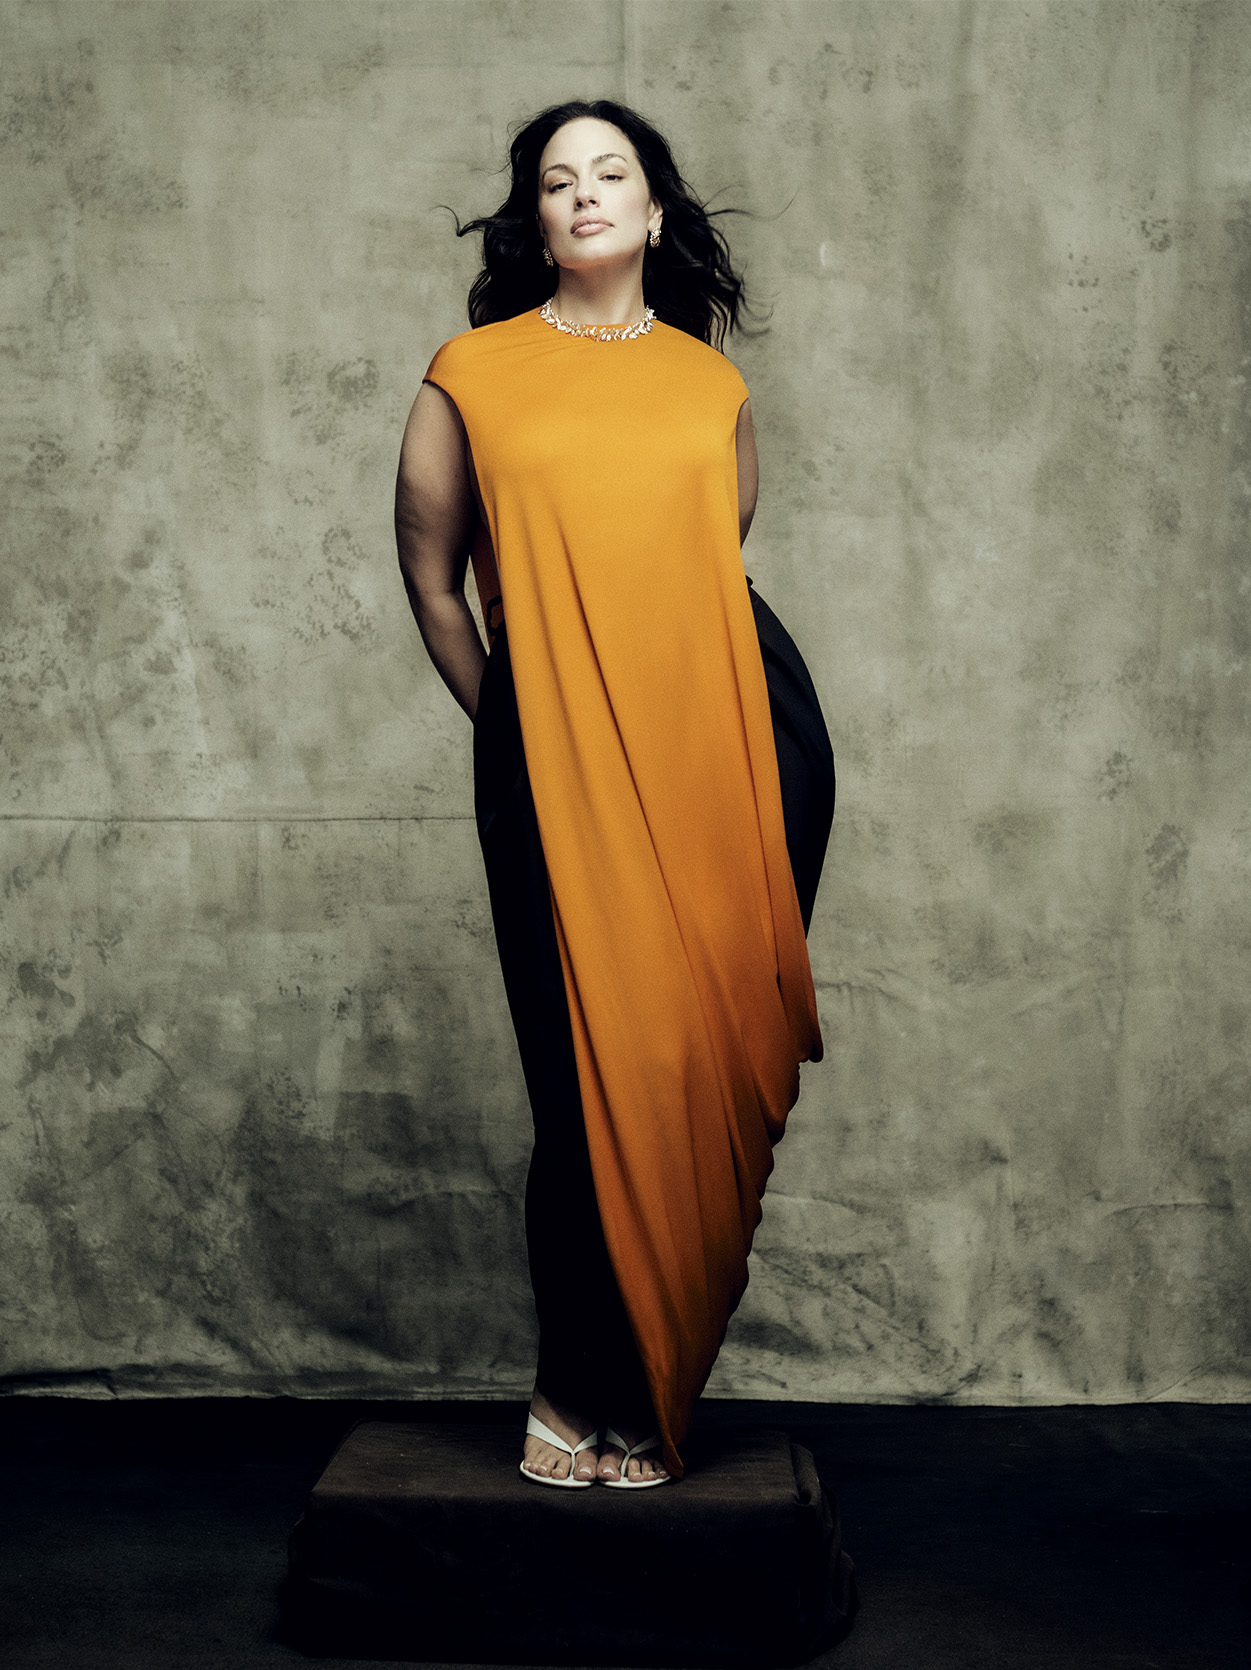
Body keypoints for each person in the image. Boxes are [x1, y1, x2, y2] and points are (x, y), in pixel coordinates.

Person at [395, 99, 834, 1489]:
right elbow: (434, 578)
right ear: (535, 219)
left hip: (738, 729)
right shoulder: (471, 370)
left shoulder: (712, 390)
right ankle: (578, 1382)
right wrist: (527, 730)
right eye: (555, 180)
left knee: (696, 1054)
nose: (582, 195)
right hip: (549, 743)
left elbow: (717, 563)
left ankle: (653, 1388)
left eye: (611, 175)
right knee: (586, 1075)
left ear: (653, 214)